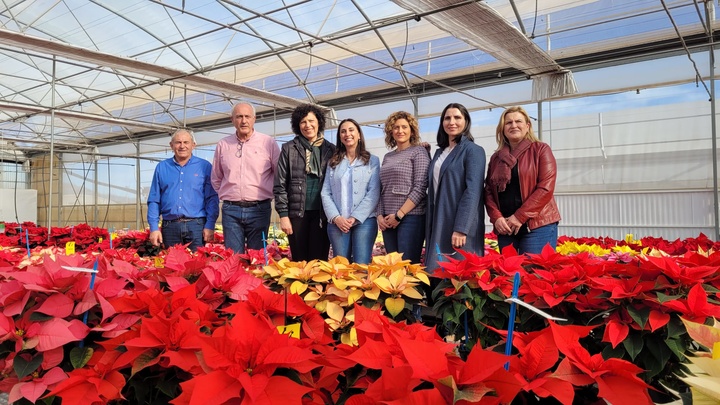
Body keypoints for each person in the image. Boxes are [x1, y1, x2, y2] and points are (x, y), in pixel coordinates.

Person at [485, 106, 561, 254]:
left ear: (527, 126)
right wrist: (497, 218)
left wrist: (519, 217)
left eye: (518, 121)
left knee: (533, 273)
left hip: (537, 226)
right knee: (510, 275)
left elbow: (545, 188)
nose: (513, 125)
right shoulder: (496, 158)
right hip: (506, 228)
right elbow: (488, 191)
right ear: (502, 128)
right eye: (508, 123)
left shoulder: (541, 150)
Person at [211, 103, 280, 254]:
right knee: (234, 259)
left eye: (247, 116)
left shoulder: (268, 142)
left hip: (260, 209)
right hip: (231, 210)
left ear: (254, 119)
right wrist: (231, 194)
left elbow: (279, 175)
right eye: (239, 117)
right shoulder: (223, 144)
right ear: (232, 120)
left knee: (258, 258)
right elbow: (216, 178)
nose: (244, 121)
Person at [425, 103, 486, 273]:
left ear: (466, 121)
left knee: (458, 274)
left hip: (457, 221)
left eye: (457, 117)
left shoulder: (473, 151)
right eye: (447, 118)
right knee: (436, 271)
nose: (452, 122)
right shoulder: (439, 153)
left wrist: (461, 228)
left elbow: (473, 191)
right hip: (438, 218)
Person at [274, 104, 336, 261]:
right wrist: (283, 215)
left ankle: (317, 287)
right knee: (299, 260)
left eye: (311, 121)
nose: (308, 125)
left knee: (319, 260)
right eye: (303, 122)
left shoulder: (331, 149)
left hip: (322, 213)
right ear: (297, 125)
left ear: (319, 122)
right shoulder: (289, 149)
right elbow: (280, 184)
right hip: (297, 214)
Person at [147, 129, 219, 252]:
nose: (182, 146)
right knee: (172, 266)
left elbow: (212, 198)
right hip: (170, 227)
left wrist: (210, 224)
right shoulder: (162, 167)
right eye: (178, 142)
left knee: (198, 265)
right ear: (171, 145)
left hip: (197, 226)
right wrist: (154, 228)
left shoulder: (204, 166)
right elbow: (154, 200)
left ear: (193, 145)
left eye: (186, 142)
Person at [321, 118, 380, 264]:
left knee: (362, 265)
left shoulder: (372, 161)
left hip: (364, 222)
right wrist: (336, 217)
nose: (347, 134)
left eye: (351, 130)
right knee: (341, 267)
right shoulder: (333, 162)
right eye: (343, 131)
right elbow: (325, 192)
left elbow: (374, 192)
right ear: (340, 137)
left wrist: (355, 217)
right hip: (337, 224)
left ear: (359, 134)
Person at [377, 111, 430, 264]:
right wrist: (380, 215)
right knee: (393, 266)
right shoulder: (388, 157)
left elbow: (420, 187)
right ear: (391, 131)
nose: (400, 131)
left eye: (404, 127)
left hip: (410, 217)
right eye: (396, 127)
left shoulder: (418, 152)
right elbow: (381, 188)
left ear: (411, 130)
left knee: (408, 265)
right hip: (388, 219)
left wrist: (399, 215)